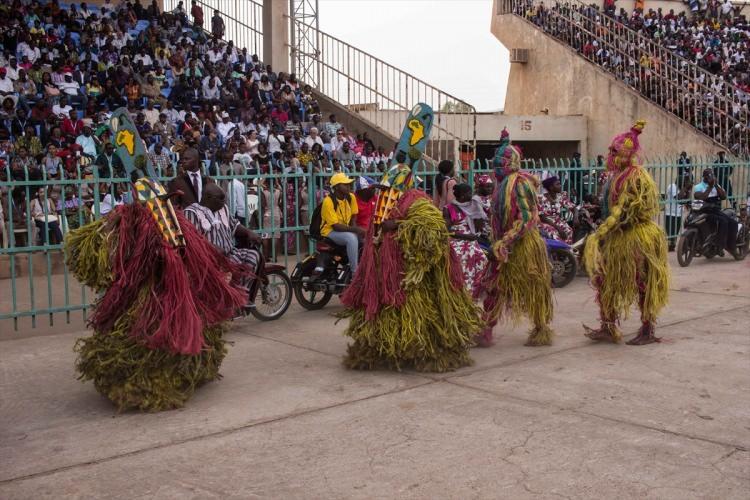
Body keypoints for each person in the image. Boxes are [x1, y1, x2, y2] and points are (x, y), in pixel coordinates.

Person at [66, 176, 247, 412]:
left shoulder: (173, 224)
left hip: (167, 290)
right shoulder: (135, 222)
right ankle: (142, 381)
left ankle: (182, 370)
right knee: (149, 330)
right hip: (148, 291)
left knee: (179, 327)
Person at [340, 158, 481, 372]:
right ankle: (385, 350)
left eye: (390, 186)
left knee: (418, 313)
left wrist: (397, 224)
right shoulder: (384, 202)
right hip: (385, 272)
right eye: (385, 187)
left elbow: (433, 226)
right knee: (385, 312)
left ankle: (425, 352)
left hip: (409, 274)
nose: (386, 191)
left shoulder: (417, 200)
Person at [584, 121, 669, 346]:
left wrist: (600, 233)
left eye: (615, 151)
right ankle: (608, 326)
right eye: (610, 150)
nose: (610, 155)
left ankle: (648, 328)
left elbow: (624, 210)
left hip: (636, 238)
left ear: (626, 154)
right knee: (604, 282)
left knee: (642, 283)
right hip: (616, 238)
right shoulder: (615, 176)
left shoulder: (635, 177)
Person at [480, 129, 554, 348]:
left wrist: (506, 240)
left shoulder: (519, 183)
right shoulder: (501, 186)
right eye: (495, 161)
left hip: (523, 246)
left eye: (500, 161)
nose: (496, 165)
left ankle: (541, 329)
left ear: (511, 161)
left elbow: (526, 217)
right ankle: (486, 330)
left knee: (534, 288)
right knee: (494, 288)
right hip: (504, 247)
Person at [185, 183, 262, 296]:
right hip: (211, 258)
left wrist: (249, 232)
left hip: (231, 253)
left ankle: (241, 293)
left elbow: (235, 225)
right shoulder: (192, 212)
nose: (224, 202)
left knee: (253, 255)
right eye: (221, 199)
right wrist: (212, 247)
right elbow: (194, 238)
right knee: (228, 270)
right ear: (208, 198)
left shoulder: (223, 209)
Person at [444, 183, 488, 296]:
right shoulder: (449, 209)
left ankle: (475, 290)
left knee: (482, 259)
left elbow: (480, 223)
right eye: (469, 193)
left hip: (471, 239)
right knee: (460, 261)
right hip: (457, 240)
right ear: (462, 195)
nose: (471, 195)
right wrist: (465, 237)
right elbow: (447, 231)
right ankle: (461, 292)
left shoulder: (473, 205)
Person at [319, 172, 364, 273]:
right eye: (345, 184)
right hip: (329, 232)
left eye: (348, 184)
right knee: (351, 238)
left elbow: (353, 217)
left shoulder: (351, 197)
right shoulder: (328, 201)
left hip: (344, 230)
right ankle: (354, 273)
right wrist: (355, 230)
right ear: (337, 187)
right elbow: (335, 226)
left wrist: (356, 230)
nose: (348, 186)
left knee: (362, 241)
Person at [693, 168, 738, 256]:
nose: (710, 177)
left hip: (716, 210)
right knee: (723, 221)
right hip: (705, 211)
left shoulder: (716, 185)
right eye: (708, 176)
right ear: (704, 177)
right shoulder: (698, 187)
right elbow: (702, 197)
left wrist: (716, 185)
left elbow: (723, 197)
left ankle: (731, 246)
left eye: (712, 175)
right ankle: (719, 246)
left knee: (733, 223)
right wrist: (710, 187)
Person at [537, 176, 577, 244]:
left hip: (558, 221)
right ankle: (558, 252)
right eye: (557, 184)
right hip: (546, 222)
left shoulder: (560, 197)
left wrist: (575, 218)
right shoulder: (541, 198)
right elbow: (543, 218)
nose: (560, 186)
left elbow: (573, 208)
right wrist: (558, 228)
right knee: (554, 233)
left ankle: (568, 250)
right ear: (551, 187)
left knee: (569, 230)